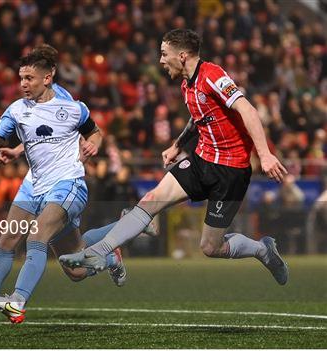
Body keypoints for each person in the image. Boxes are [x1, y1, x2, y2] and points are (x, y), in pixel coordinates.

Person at [60, 29, 289, 286]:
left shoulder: (212, 75)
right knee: (151, 200)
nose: (160, 60)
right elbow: (198, 117)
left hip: (231, 172)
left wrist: (265, 154)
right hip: (201, 161)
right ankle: (98, 252)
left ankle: (262, 250)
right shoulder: (186, 85)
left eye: (163, 54)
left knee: (210, 247)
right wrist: (177, 144)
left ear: (181, 56)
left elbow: (247, 110)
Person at [0, 45, 131, 324]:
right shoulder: (15, 109)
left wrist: (92, 145)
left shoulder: (70, 106)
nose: (23, 84)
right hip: (32, 185)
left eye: (29, 79)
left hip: (67, 183)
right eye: (21, 78)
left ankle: (17, 301)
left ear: (48, 78)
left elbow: (92, 132)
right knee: (61, 263)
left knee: (36, 238)